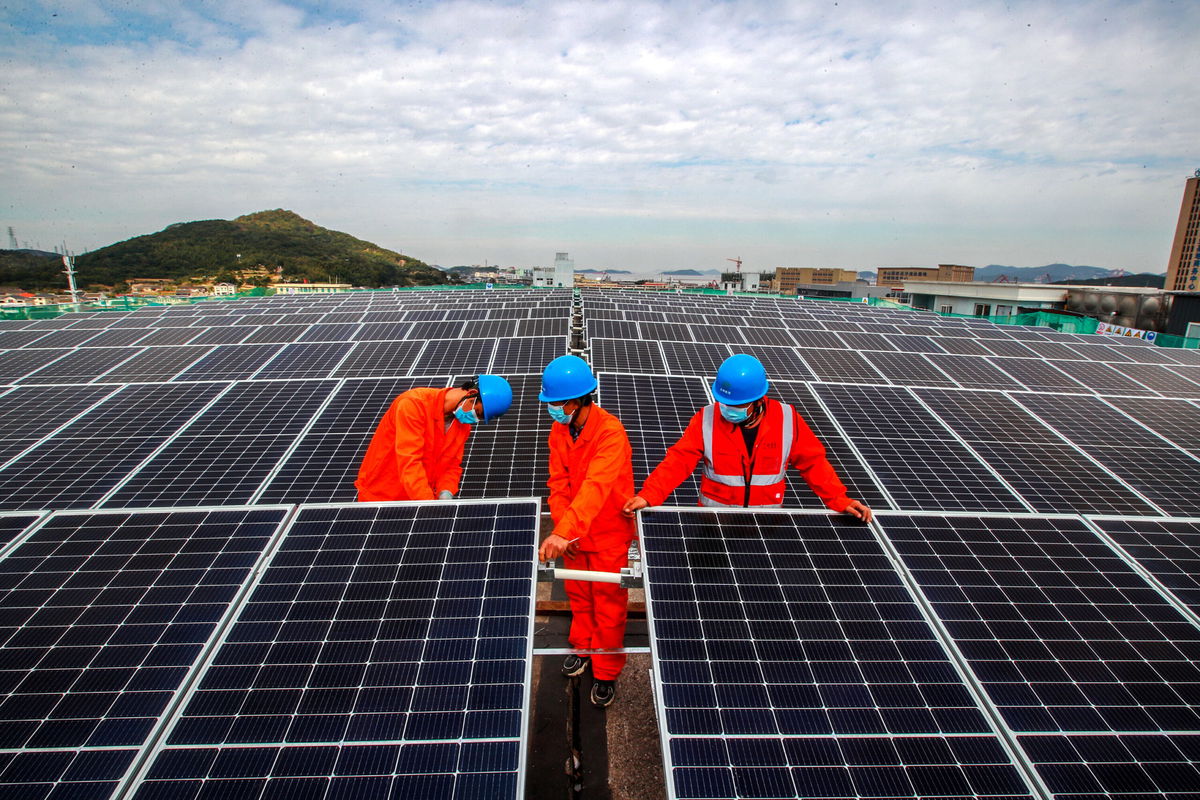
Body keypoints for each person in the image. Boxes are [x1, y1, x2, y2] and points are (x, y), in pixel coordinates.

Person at [622, 354, 873, 521]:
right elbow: (678, 461)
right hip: (713, 522)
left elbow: (814, 463)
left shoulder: (787, 419)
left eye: (738, 404)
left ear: (757, 400)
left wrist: (839, 499)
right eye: (723, 402)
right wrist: (650, 495)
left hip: (765, 523)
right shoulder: (706, 419)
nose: (728, 408)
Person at [536, 355, 635, 708]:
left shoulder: (610, 432)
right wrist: (566, 531)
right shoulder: (560, 430)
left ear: (577, 401)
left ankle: (606, 670)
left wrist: (566, 532)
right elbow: (558, 483)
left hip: (608, 531)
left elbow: (597, 485)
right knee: (579, 595)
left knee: (608, 604)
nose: (552, 410)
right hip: (576, 532)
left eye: (556, 404)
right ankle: (583, 647)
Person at [355, 374, 512, 501]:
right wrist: (429, 505)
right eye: (477, 413)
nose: (473, 419)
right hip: (381, 499)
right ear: (471, 394)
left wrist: (446, 492)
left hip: (417, 501)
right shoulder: (413, 405)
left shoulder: (461, 425)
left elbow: (452, 466)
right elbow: (410, 462)